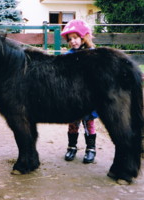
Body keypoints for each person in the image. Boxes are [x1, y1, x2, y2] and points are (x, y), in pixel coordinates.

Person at [60, 19, 98, 164]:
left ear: (83, 37)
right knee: (73, 123)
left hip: (88, 97)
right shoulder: (67, 56)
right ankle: (72, 147)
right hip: (73, 97)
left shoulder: (93, 54)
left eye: (75, 38)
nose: (73, 42)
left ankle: (91, 149)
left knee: (89, 123)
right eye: (70, 39)